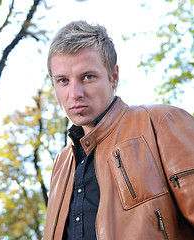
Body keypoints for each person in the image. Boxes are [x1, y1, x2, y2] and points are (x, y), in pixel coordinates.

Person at [43, 20, 194, 240]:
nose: (74, 93)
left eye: (87, 77)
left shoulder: (161, 122)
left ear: (114, 76)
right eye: (63, 80)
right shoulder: (61, 163)